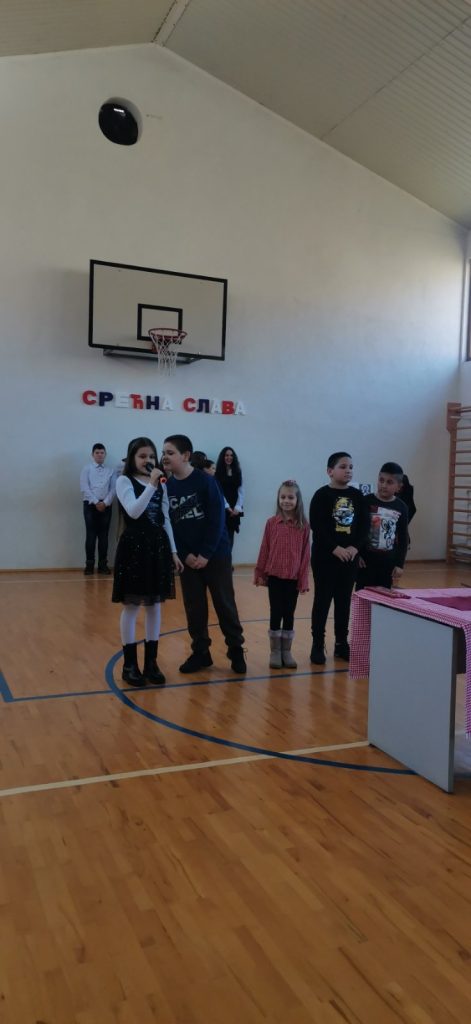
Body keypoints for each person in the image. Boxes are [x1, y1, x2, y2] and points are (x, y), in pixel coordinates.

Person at [162, 434, 246, 674]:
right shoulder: (167, 487)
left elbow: (217, 520)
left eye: (170, 452)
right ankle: (201, 652)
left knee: (224, 604)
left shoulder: (206, 481)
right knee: (194, 607)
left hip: (215, 555)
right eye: (163, 452)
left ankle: (236, 649)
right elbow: (170, 525)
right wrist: (184, 554)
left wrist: (206, 554)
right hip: (188, 560)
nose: (164, 457)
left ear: (185, 456)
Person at [112, 436, 183, 687]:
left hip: (157, 547)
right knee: (132, 606)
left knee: (155, 606)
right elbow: (133, 511)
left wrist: (173, 551)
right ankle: (129, 665)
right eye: (142, 456)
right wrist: (152, 485)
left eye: (152, 456)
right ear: (132, 458)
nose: (148, 460)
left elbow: (165, 518)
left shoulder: (161, 484)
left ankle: (151, 663)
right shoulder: (124, 481)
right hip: (134, 547)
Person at [309, 451, 369, 665]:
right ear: (330, 471)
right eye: (343, 467)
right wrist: (334, 548)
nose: (348, 470)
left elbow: (364, 526)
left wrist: (354, 547)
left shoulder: (358, 496)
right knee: (322, 601)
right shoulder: (321, 495)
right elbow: (317, 526)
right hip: (325, 559)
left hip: (349, 559)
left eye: (351, 467)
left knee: (343, 602)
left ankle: (342, 643)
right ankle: (318, 644)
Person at [254, 480, 310, 669]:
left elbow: (305, 555)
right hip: (275, 577)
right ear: (278, 499)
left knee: (289, 613)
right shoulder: (272, 523)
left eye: (290, 497)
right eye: (283, 497)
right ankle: (275, 651)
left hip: (293, 578)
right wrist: (260, 572)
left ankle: (287, 651)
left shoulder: (304, 526)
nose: (286, 501)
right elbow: (265, 548)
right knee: (275, 612)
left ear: (297, 500)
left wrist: (303, 579)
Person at [356, 462, 409, 591]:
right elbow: (356, 530)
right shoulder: (365, 501)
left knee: (382, 597)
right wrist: (357, 554)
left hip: (387, 563)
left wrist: (399, 564)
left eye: (389, 482)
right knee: (362, 595)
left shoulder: (401, 507)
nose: (384, 485)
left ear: (399, 487)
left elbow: (403, 537)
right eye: (381, 480)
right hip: (365, 562)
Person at [80, 443, 117, 575]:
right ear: (92, 454)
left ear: (105, 454)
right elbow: (84, 487)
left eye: (102, 453)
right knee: (90, 535)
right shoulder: (87, 469)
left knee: (103, 536)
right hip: (90, 505)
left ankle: (103, 565)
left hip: (106, 506)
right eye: (97, 453)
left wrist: (105, 503)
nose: (100, 455)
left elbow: (113, 489)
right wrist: (96, 502)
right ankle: (89, 565)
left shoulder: (111, 470)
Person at [215, 447, 244, 553]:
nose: (229, 457)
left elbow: (241, 490)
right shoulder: (217, 472)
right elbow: (218, 491)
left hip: (234, 508)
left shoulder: (238, 471)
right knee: (221, 536)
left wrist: (238, 507)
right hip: (222, 507)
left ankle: (228, 560)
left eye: (231, 455)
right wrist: (226, 506)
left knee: (231, 536)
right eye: (226, 455)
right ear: (223, 457)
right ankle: (222, 560)